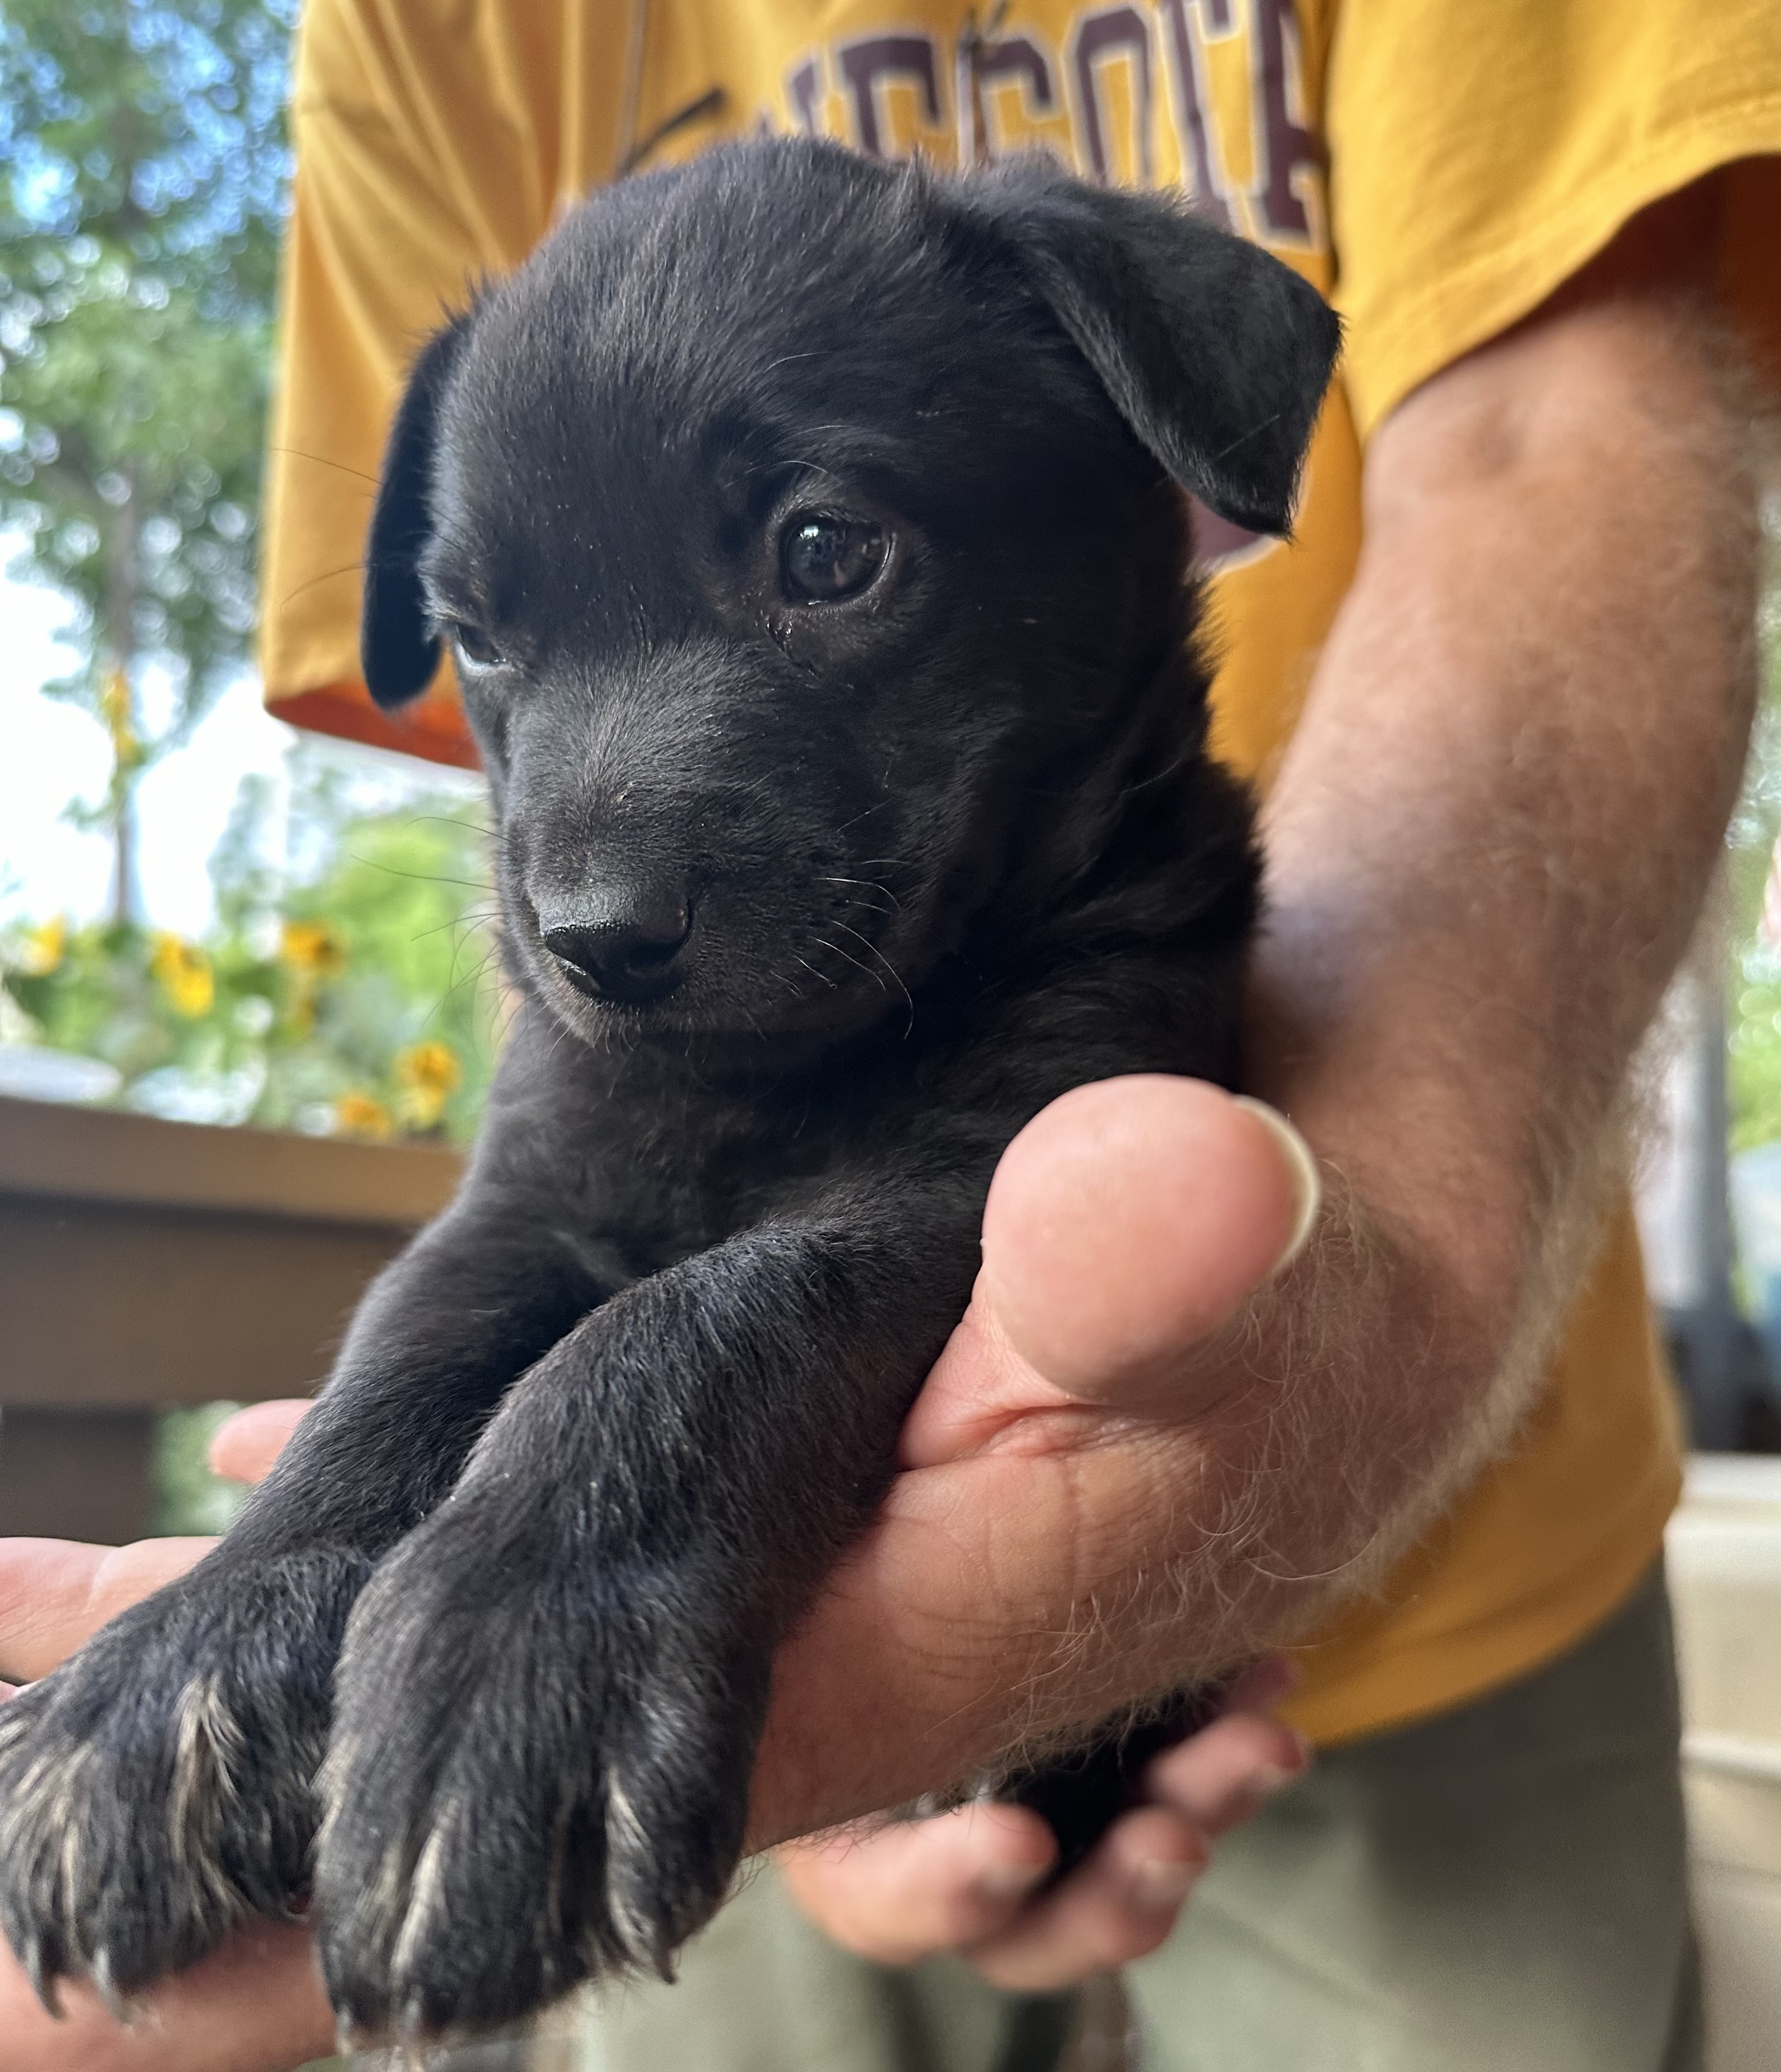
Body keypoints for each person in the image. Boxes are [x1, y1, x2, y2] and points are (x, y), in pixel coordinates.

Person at [2, 1, 1777, 2066]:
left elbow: (1542, 435)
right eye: (499, 638)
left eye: (820, 557)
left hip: (1438, 1556)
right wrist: (303, 1564)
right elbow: (528, 1244)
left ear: (1148, 490)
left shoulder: (1115, 914)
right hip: (783, 1692)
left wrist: (623, 1505)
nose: (587, 882)